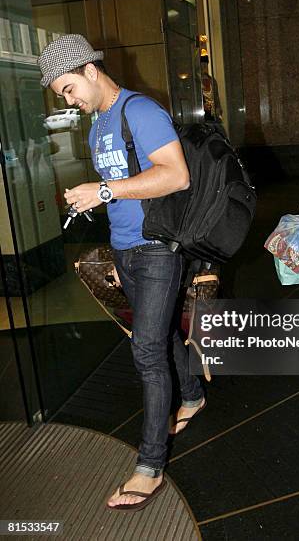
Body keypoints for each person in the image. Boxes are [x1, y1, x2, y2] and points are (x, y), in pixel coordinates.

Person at [38, 34, 206, 511]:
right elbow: (123, 188)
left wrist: (104, 191)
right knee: (160, 332)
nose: (69, 101)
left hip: (157, 248)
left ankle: (149, 466)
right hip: (125, 249)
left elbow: (176, 175)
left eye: (69, 89)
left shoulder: (141, 111)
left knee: (147, 351)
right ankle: (191, 395)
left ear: (90, 71)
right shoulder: (97, 126)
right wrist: (98, 206)